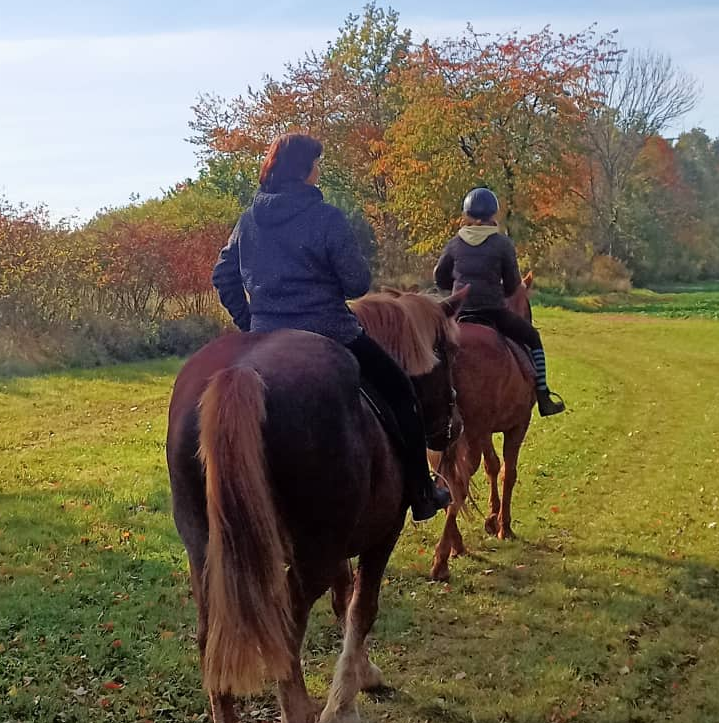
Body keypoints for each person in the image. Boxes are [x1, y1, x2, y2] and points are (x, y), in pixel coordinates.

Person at [211, 132, 452, 522]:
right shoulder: (326, 217)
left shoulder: (249, 220)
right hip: (331, 332)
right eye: (316, 164)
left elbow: (222, 275)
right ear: (306, 170)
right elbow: (356, 283)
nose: (319, 171)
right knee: (401, 389)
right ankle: (422, 492)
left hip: (265, 337)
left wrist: (251, 323)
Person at [433, 188, 566, 416]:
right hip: (493, 310)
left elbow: (439, 276)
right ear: (493, 213)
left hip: (460, 311)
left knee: (432, 346)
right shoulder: (502, 243)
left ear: (467, 213)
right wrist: (498, 291)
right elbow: (514, 284)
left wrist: (454, 289)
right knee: (533, 338)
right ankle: (543, 395)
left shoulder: (454, 243)